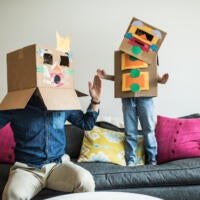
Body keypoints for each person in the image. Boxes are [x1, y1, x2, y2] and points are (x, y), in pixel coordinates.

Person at [0, 75, 102, 200]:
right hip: (27, 168)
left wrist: (95, 100)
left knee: (85, 180)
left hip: (58, 165)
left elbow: (87, 124)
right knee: (12, 194)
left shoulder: (64, 102)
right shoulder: (16, 104)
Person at [97, 69, 168, 166]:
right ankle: (131, 161)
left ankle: (152, 160)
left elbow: (151, 72)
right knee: (130, 132)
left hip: (145, 97)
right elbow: (123, 77)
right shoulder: (124, 56)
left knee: (148, 129)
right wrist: (106, 76)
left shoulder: (147, 55)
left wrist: (161, 80)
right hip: (127, 98)